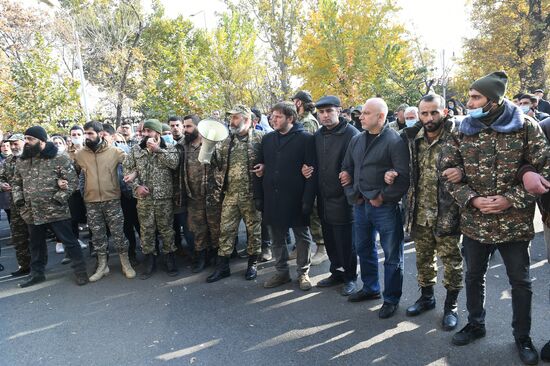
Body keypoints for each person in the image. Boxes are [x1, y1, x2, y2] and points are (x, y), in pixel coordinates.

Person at [440, 71, 548, 365]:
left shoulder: (525, 126)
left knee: (521, 282)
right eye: (470, 96)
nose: (470, 102)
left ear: (494, 100)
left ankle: (522, 337)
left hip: (514, 223)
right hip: (475, 223)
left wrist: (509, 200)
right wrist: (472, 199)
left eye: (476, 97)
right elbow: (448, 173)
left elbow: (546, 170)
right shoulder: (461, 129)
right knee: (474, 276)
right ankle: (476, 323)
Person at [386, 94, 463, 330]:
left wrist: (461, 171)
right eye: (424, 113)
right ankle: (427, 297)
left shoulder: (458, 136)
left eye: (434, 112)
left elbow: (474, 164)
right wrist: (390, 172)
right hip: (419, 211)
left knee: (451, 261)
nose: (429, 118)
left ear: (445, 112)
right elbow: (397, 162)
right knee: (423, 258)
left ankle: (451, 306)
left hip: (447, 212)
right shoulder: (410, 138)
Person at [341, 97, 410, 319]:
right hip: (361, 206)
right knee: (363, 248)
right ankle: (370, 288)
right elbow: (347, 169)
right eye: (362, 113)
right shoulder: (357, 139)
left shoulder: (394, 141)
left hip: (385, 208)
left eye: (366, 113)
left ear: (381, 117)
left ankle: (391, 299)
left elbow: (403, 177)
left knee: (391, 255)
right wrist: (353, 194)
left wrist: (383, 197)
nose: (361, 116)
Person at [12, 126, 88, 287]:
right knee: (36, 245)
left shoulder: (59, 157)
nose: (26, 143)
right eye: (25, 139)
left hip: (55, 209)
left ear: (41, 140)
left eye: (30, 139)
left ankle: (81, 272)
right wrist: (20, 202)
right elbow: (16, 183)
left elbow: (73, 181)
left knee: (70, 242)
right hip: (32, 211)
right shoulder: (22, 160)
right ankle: (37, 274)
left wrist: (59, 199)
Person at [303, 96, 360, 296]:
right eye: (322, 112)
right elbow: (314, 163)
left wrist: (350, 174)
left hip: (344, 198)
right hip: (324, 197)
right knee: (330, 240)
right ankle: (336, 272)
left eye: (329, 111)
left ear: (339, 110)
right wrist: (307, 170)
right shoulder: (318, 135)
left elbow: (359, 164)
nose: (325, 116)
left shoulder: (352, 134)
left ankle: (350, 277)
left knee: (346, 243)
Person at [259, 101, 316, 291]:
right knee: (277, 237)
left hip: (297, 197)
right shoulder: (267, 139)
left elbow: (311, 172)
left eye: (278, 116)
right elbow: (261, 166)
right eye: (272, 116)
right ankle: (281, 272)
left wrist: (308, 199)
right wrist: (259, 195)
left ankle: (303, 273)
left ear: (290, 118)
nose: (273, 119)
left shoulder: (306, 139)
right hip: (273, 197)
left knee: (302, 236)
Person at [207, 105, 264, 283]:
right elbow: (213, 161)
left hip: (251, 194)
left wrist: (266, 167)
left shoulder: (261, 138)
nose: (231, 122)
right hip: (230, 194)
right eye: (231, 118)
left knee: (254, 231)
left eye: (235, 118)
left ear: (247, 120)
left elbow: (272, 159)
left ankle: (252, 264)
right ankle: (223, 267)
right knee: (225, 231)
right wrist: (208, 144)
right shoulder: (225, 141)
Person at [74, 121, 136, 282]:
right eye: (85, 133)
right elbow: (74, 174)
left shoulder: (115, 151)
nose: (87, 137)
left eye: (90, 133)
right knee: (98, 236)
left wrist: (133, 175)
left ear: (100, 134)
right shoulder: (80, 155)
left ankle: (126, 263)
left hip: (112, 200)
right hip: (91, 202)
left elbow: (134, 164)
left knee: (119, 234)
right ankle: (103, 266)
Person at [123, 119, 180, 279]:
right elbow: (127, 170)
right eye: (143, 131)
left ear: (158, 133)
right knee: (146, 230)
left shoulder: (169, 148)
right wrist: (136, 187)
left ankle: (170, 258)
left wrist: (158, 150)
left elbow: (175, 164)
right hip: (144, 198)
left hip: (164, 198)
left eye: (149, 131)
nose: (145, 134)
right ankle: (150, 260)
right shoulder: (136, 150)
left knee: (167, 229)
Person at [181, 114, 224, 273]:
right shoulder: (183, 145)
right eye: (184, 126)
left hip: (212, 194)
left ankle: (216, 257)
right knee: (198, 230)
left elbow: (222, 163)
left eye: (189, 126)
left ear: (199, 127)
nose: (185, 130)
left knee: (215, 228)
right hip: (194, 196)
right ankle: (201, 259)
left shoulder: (212, 143)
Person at [292, 90, 327, 265]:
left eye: (295, 101)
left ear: (300, 103)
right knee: (301, 211)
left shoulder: (308, 122)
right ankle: (301, 246)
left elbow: (306, 148)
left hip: (309, 172)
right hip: (299, 173)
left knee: (312, 211)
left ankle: (321, 247)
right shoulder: (300, 120)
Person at [0, 133, 31, 277]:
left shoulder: (33, 158)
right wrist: (2, 185)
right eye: (11, 144)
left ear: (24, 143)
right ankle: (24, 266)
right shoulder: (7, 162)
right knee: (19, 237)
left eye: (16, 143)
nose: (13, 147)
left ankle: (38, 266)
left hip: (34, 204)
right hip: (15, 205)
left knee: (36, 236)